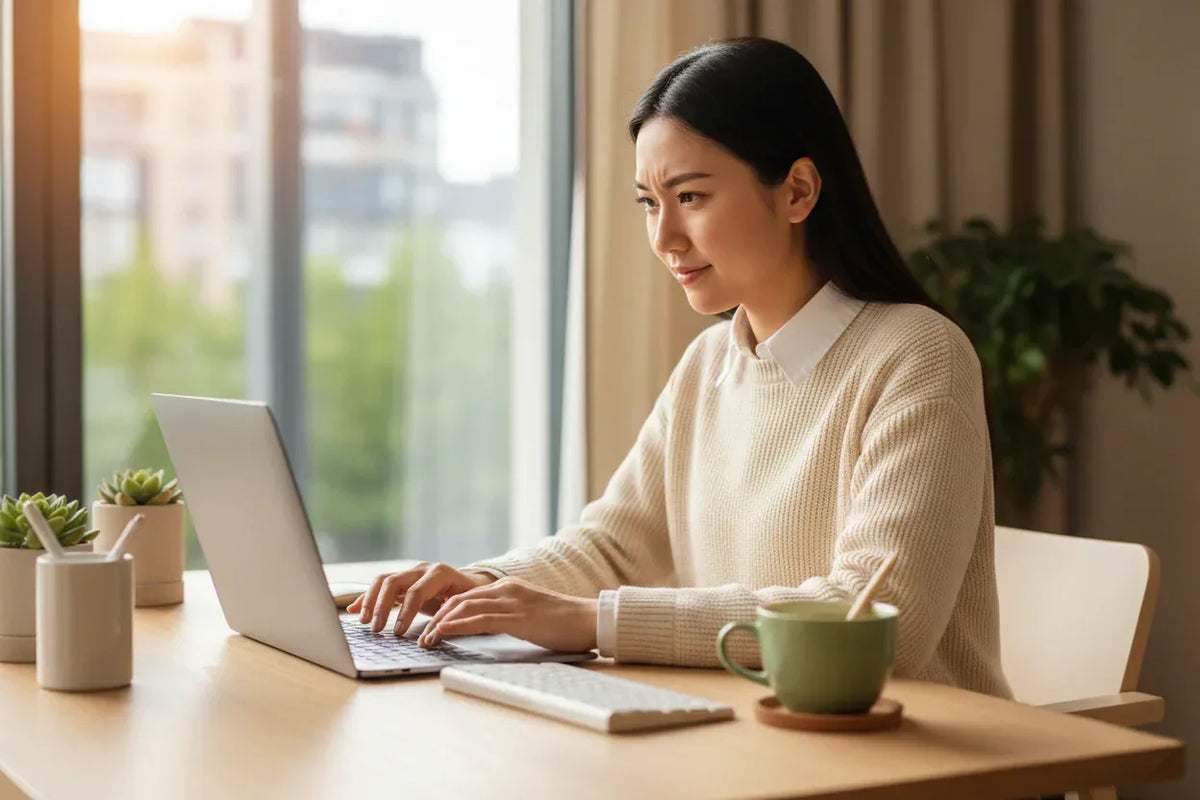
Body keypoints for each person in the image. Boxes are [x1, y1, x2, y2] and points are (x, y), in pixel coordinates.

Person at [349, 37, 1011, 697]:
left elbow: (875, 621)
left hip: (920, 766)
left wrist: (593, 623)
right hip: (757, 743)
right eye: (648, 202)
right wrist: (481, 585)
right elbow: (613, 548)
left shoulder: (917, 357)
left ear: (799, 191)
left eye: (690, 196)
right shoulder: (709, 364)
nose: (664, 237)